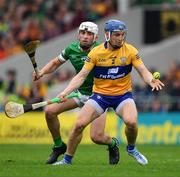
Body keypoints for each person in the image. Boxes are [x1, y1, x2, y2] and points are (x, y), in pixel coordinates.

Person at [53, 19, 165, 165]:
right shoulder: (96, 53)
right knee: (79, 125)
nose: (121, 38)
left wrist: (151, 80)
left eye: (123, 35)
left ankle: (131, 149)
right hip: (100, 96)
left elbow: (143, 70)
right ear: (107, 35)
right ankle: (67, 160)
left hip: (122, 95)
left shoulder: (131, 50)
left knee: (131, 122)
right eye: (117, 35)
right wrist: (65, 92)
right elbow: (81, 76)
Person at [33, 21, 119, 165]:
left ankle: (112, 144)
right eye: (82, 33)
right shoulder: (72, 48)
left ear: (96, 37)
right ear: (78, 34)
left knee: (97, 137)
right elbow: (55, 63)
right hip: (79, 94)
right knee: (49, 111)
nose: (85, 36)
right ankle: (59, 146)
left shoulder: (101, 50)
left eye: (89, 34)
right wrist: (41, 72)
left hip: (99, 97)